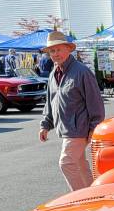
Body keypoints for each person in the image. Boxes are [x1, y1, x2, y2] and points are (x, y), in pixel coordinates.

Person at [38, 30, 105, 191]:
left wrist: (94, 128)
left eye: (59, 49)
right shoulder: (54, 73)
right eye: (52, 51)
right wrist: (45, 125)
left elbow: (95, 102)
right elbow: (50, 101)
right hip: (67, 129)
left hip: (79, 129)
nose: (55, 53)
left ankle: (80, 199)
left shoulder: (82, 72)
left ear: (68, 49)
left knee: (66, 163)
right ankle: (92, 195)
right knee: (79, 165)